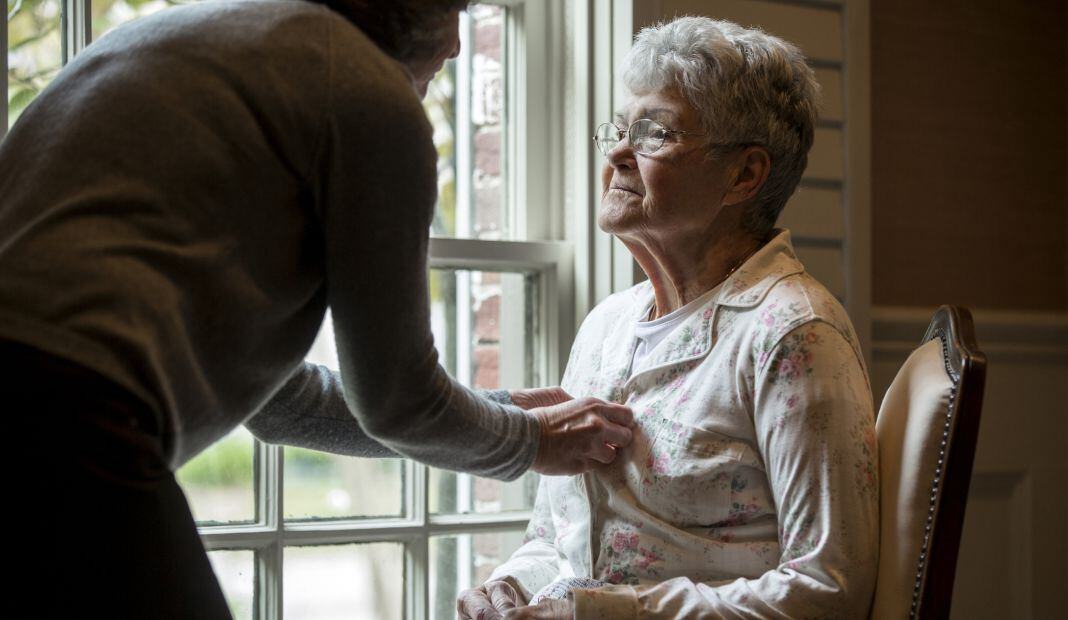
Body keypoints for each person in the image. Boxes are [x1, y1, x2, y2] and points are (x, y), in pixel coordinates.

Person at [0, 0, 634, 616]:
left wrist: (502, 410)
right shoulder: (364, 91)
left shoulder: (170, 44)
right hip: (64, 416)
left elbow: (280, 406)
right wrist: (530, 442)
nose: (456, 45)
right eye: (454, 12)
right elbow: (399, 401)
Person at [457, 16, 879, 620]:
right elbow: (560, 538)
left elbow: (829, 590)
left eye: (655, 134)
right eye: (621, 130)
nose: (620, 153)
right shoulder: (607, 325)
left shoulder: (793, 334)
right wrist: (510, 587)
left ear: (745, 175)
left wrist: (605, 614)